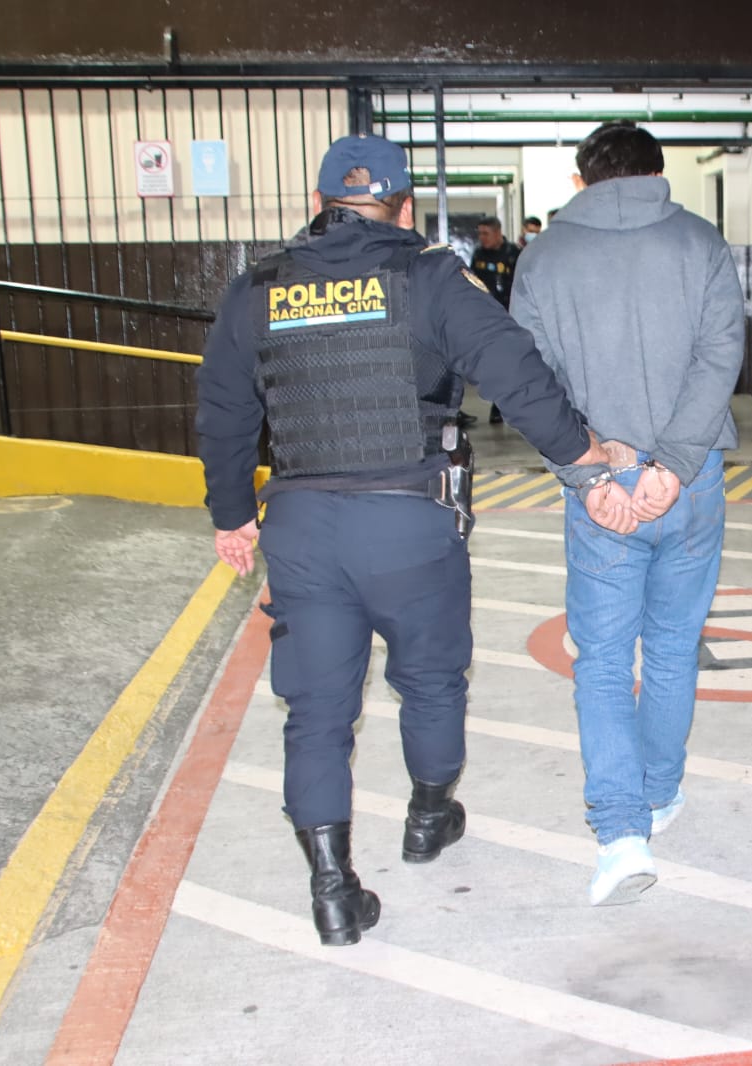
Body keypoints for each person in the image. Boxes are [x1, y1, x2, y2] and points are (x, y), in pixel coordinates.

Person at [196, 134, 609, 946]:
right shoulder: (429, 277)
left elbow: (223, 412)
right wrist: (582, 453)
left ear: (318, 204)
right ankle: (427, 818)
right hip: (410, 520)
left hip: (303, 527)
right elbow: (514, 369)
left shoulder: (257, 290)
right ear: (404, 207)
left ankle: (331, 888)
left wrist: (230, 513)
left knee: (317, 712)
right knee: (430, 681)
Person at [511, 121, 746, 905]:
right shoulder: (701, 243)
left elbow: (532, 383)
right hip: (693, 482)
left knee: (605, 660)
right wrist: (673, 465)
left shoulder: (544, 257)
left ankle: (620, 835)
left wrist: (589, 474)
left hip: (602, 489)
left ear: (583, 181)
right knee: (673, 646)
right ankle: (660, 791)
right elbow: (721, 356)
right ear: (657, 172)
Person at [471, 217, 520, 424]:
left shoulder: (513, 254)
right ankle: (498, 402)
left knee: (508, 362)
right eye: (480, 234)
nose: (482, 238)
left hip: (509, 316)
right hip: (486, 317)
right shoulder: (479, 254)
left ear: (498, 233)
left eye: (486, 233)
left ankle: (501, 406)